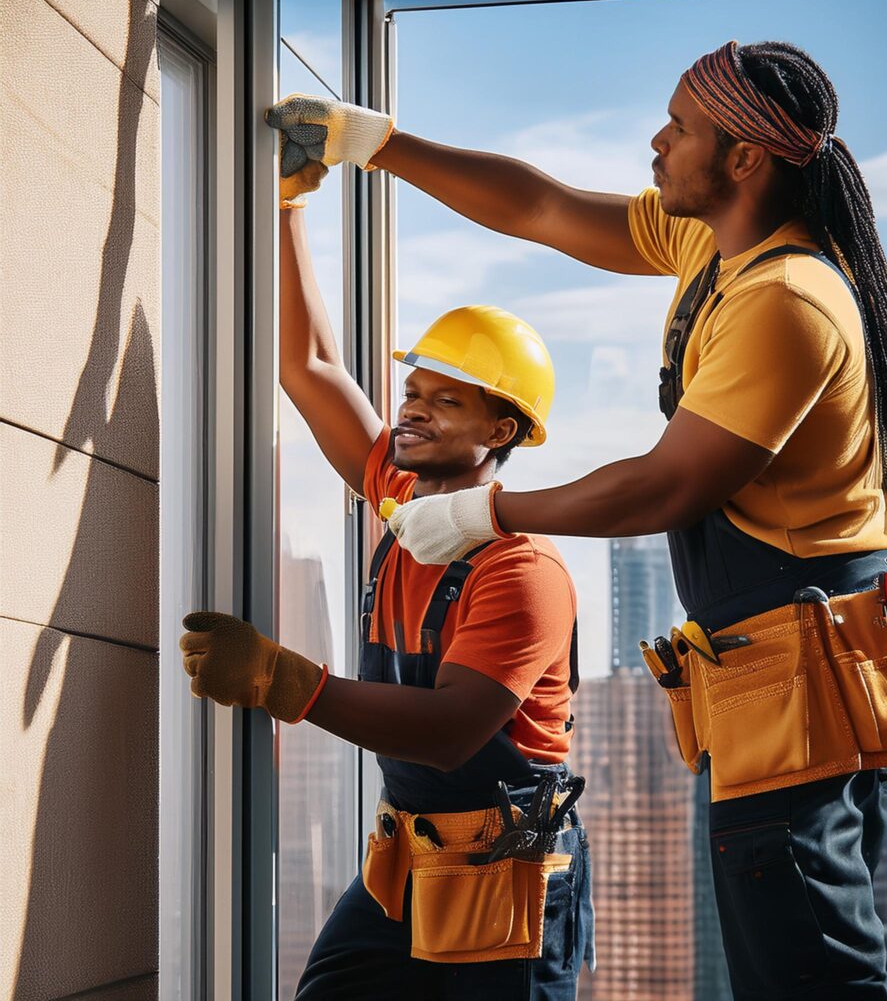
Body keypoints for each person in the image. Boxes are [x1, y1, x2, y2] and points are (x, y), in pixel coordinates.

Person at [266, 40, 887, 1001]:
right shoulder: (712, 251)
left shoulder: (788, 300)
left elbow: (666, 486)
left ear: (745, 158)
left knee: (811, 972)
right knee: (791, 962)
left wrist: (487, 513)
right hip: (769, 681)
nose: (657, 140)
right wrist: (374, 143)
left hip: (800, 689)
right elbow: (541, 209)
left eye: (681, 127)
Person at [178, 160, 594, 999]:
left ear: (500, 429)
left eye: (446, 401)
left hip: (507, 872)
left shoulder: (522, 569)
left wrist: (277, 678)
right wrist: (289, 203)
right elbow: (311, 364)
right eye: (411, 391)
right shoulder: (404, 505)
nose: (412, 410)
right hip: (405, 860)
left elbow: (450, 729)